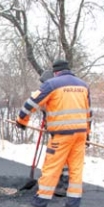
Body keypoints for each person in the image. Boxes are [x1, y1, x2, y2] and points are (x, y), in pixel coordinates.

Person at [16, 59, 91, 207]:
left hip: (62, 136)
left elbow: (31, 103)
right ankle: (72, 206)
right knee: (75, 170)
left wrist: (21, 120)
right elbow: (89, 113)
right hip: (80, 135)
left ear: (55, 72)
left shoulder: (52, 84)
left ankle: (39, 203)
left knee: (51, 168)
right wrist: (88, 135)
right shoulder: (83, 85)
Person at [38, 67, 69, 198]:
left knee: (61, 156)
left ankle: (64, 183)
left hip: (63, 130)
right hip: (59, 129)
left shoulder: (57, 92)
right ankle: (60, 181)